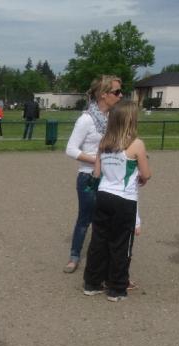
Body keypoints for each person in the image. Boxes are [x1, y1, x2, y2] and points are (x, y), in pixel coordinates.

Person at [82, 100, 151, 302]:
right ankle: (117, 288)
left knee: (99, 241)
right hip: (124, 199)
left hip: (103, 195)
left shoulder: (104, 143)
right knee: (121, 244)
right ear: (131, 120)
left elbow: (96, 173)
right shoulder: (136, 144)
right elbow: (146, 174)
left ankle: (92, 283)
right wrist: (141, 176)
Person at [63, 75, 123, 273]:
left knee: (109, 220)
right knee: (85, 219)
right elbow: (70, 149)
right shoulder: (86, 120)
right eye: (116, 92)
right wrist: (97, 160)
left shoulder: (114, 118)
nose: (120, 96)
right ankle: (74, 256)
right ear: (104, 94)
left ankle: (102, 258)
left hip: (111, 177)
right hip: (89, 177)